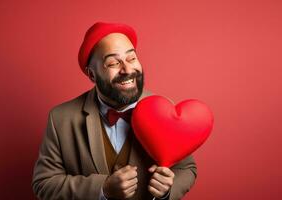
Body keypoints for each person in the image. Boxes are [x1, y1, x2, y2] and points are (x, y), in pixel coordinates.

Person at [32, 22, 197, 200]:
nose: (127, 70)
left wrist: (166, 192)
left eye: (132, 58)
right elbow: (44, 183)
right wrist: (102, 189)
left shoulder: (165, 110)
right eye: (113, 63)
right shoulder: (60, 119)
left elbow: (186, 169)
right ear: (92, 75)